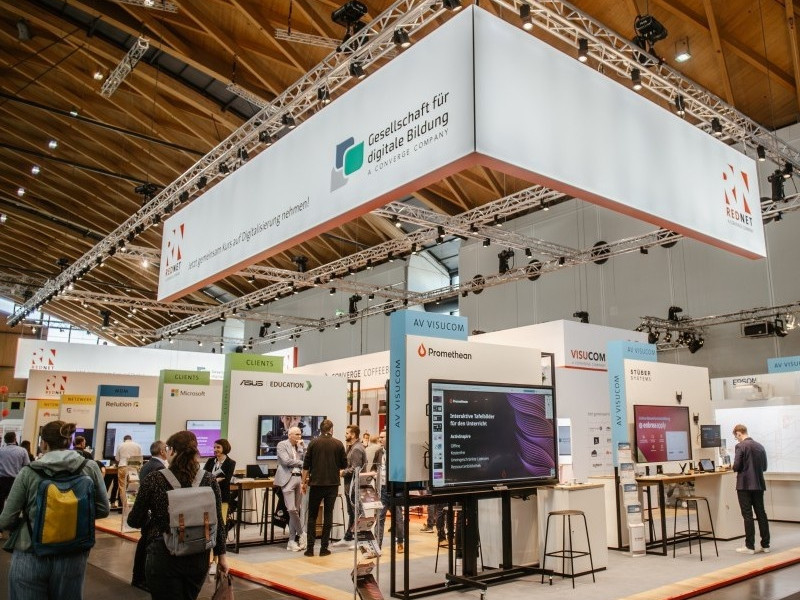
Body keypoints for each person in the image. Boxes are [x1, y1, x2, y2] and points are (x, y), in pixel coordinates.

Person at [0, 420, 110, 599]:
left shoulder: (29, 472)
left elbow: (6, 520)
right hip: (73, 553)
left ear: (44, 443)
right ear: (70, 441)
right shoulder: (89, 467)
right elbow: (103, 509)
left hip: (31, 552)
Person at [127, 430, 228, 599]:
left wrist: (151, 520)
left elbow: (134, 520)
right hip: (199, 556)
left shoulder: (154, 479)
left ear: (172, 450)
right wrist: (222, 557)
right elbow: (218, 521)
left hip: (163, 554)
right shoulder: (209, 480)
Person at [301, 419, 346, 557]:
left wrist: (303, 483)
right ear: (331, 429)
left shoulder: (313, 443)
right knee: (328, 515)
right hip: (332, 484)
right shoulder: (338, 443)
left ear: (320, 429)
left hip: (316, 484)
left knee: (312, 516)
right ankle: (324, 548)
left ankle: (310, 549)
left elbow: (306, 465)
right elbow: (344, 465)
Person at [131, 441, 169, 591]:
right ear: (162, 451)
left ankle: (139, 577)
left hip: (147, 512)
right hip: (152, 514)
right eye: (167, 448)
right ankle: (142, 578)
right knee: (147, 547)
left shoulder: (147, 465)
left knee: (144, 544)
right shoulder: (158, 468)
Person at [732, 424, 770, 554]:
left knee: (747, 515)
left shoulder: (740, 446)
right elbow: (764, 467)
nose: (737, 439)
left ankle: (749, 546)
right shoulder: (760, 446)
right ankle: (766, 545)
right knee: (761, 514)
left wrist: (732, 466)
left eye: (736, 436)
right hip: (758, 484)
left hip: (744, 485)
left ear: (739, 433)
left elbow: (736, 466)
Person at [275, 426, 306, 551]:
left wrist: (302, 448)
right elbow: (286, 461)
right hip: (287, 479)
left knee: (296, 510)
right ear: (290, 435)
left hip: (299, 478)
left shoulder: (300, 447)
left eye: (300, 434)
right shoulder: (282, 445)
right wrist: (302, 463)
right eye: (297, 434)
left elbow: (306, 460)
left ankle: (291, 541)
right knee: (291, 509)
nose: (299, 436)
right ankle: (302, 533)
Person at [374, 429, 405, 553]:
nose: (380, 439)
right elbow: (374, 468)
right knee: (380, 518)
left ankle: (400, 542)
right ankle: (377, 546)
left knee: (398, 518)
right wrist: (374, 474)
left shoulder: (397, 453)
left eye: (383, 437)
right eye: (379, 437)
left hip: (394, 489)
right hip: (382, 489)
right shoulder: (378, 452)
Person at [336, 424, 366, 545]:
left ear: (353, 435)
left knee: (357, 512)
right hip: (351, 486)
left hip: (355, 486)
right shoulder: (352, 447)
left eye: (347, 433)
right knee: (352, 512)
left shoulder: (356, 448)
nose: (345, 435)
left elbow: (356, 469)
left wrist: (343, 472)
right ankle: (348, 537)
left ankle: (360, 540)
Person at [202, 438, 235, 524]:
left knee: (222, 522)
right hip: (209, 495)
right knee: (210, 522)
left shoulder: (231, 463)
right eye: (214, 447)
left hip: (223, 496)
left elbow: (226, 481)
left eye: (218, 447)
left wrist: (211, 479)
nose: (215, 450)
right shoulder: (210, 461)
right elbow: (204, 476)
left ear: (225, 448)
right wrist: (216, 480)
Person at [0, 431, 30, 514]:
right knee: (14, 505)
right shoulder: (22, 450)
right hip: (15, 481)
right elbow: (27, 465)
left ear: (5, 440)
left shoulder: (1, 450)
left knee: (0, 503)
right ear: (15, 439)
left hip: (1, 480)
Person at [115, 434, 142, 509]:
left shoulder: (120, 445)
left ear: (124, 440)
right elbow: (140, 458)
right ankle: (131, 506)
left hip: (123, 466)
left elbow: (117, 459)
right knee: (133, 487)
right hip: (133, 467)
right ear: (131, 439)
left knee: (122, 487)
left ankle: (124, 506)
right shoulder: (137, 445)